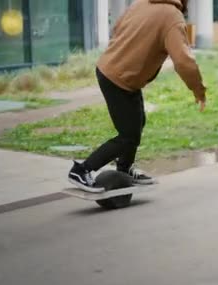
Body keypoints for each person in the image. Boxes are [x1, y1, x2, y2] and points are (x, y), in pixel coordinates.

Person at [68, 0, 206, 192]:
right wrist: (198, 90)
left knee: (137, 123)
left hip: (115, 71)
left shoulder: (141, 2)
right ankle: (81, 170)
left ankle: (124, 169)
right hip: (119, 78)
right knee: (128, 135)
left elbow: (117, 26)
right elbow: (183, 61)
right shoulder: (173, 18)